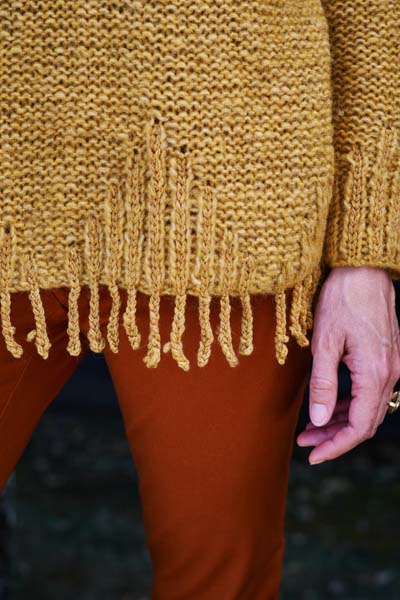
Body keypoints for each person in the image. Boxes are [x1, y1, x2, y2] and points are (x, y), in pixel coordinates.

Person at [0, 0, 399, 597]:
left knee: (216, 582)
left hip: (232, 214)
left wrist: (365, 255)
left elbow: (374, 15)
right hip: (14, 174)